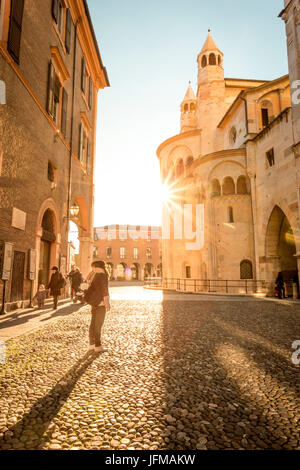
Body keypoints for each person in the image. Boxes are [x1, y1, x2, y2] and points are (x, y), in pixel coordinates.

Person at [84, 260, 111, 354]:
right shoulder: (102, 276)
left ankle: (91, 345)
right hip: (100, 303)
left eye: (93, 267)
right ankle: (98, 346)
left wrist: (90, 274)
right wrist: (107, 304)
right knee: (98, 325)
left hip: (94, 303)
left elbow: (87, 284)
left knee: (93, 324)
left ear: (97, 267)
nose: (92, 269)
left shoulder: (95, 276)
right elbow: (105, 290)